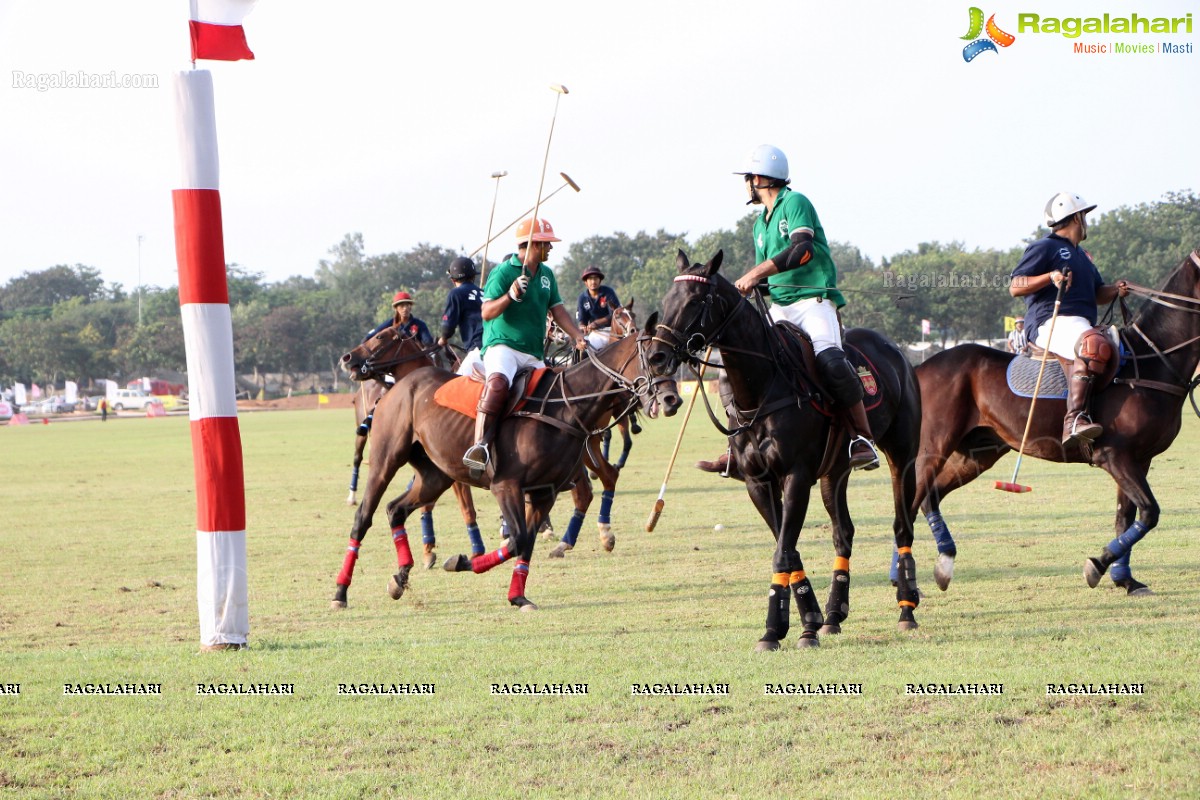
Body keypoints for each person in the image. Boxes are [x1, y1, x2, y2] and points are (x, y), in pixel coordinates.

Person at [698, 144, 879, 473]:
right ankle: (738, 445)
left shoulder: (795, 202)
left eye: (749, 177)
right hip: (779, 309)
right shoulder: (758, 226)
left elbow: (802, 251)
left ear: (762, 178)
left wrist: (754, 274)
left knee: (831, 361)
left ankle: (861, 438)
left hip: (813, 302)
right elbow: (765, 281)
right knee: (734, 369)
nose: (747, 184)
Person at [462, 218, 587, 474]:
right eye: (547, 244)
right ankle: (480, 446)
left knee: (554, 394)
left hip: (533, 352)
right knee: (498, 384)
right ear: (532, 244)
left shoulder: (546, 275)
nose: (550, 249)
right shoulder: (504, 272)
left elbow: (558, 310)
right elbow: (486, 312)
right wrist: (510, 295)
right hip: (503, 346)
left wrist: (576, 335)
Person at [1010, 192, 1128, 444]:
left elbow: (1098, 294)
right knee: (1091, 345)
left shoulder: (1083, 256)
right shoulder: (1044, 247)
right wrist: (1049, 277)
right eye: (1085, 215)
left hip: (1081, 324)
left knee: (1113, 343)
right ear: (1077, 217)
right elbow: (1015, 285)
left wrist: (1116, 289)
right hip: (1049, 321)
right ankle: (1074, 420)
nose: (1086, 221)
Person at [438, 256, 484, 377]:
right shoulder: (484, 292)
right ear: (473, 277)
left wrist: (443, 339)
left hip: (479, 348)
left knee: (456, 388)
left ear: (453, 280)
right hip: (498, 345)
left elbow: (448, 327)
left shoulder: (456, 293)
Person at [576, 266, 623, 349]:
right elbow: (582, 320)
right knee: (585, 350)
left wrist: (597, 323)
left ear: (600, 280)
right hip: (597, 333)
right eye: (590, 279)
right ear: (586, 282)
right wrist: (583, 327)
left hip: (614, 331)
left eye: (596, 278)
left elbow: (616, 313)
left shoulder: (608, 292)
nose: (593, 281)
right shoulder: (582, 298)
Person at [364, 291, 434, 345]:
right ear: (396, 309)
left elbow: (428, 341)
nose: (405, 309)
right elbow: (372, 335)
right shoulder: (389, 323)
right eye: (402, 306)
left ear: (411, 307)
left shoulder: (420, 324)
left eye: (407, 305)